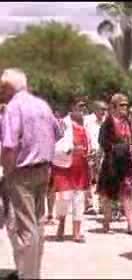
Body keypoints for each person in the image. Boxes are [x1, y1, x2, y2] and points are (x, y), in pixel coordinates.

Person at [0, 68, 62, 279]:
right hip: (43, 169)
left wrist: (7, 173)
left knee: (25, 227)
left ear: (8, 87)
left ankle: (28, 275)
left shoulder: (13, 107)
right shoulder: (42, 104)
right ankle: (33, 273)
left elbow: (9, 146)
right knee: (37, 222)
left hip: (21, 172)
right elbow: (58, 132)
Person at [97, 93, 132, 235]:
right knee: (108, 193)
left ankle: (130, 225)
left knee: (127, 191)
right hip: (111, 163)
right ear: (114, 106)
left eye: (126, 104)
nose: (125, 107)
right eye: (122, 105)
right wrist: (116, 148)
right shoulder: (108, 122)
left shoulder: (127, 122)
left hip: (126, 162)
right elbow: (102, 141)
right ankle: (106, 223)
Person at [52, 96, 91, 243]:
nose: (83, 108)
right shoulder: (63, 123)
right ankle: (61, 226)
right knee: (64, 197)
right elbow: (55, 144)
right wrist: (71, 149)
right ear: (72, 107)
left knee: (79, 198)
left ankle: (76, 232)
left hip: (81, 165)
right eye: (80, 105)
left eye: (84, 106)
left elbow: (89, 142)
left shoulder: (87, 124)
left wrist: (90, 152)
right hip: (65, 165)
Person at [84, 100, 108, 215]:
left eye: (105, 109)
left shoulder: (107, 121)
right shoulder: (87, 120)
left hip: (102, 153)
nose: (104, 112)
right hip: (89, 153)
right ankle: (88, 205)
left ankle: (102, 205)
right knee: (87, 180)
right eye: (102, 109)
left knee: (101, 180)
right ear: (95, 109)